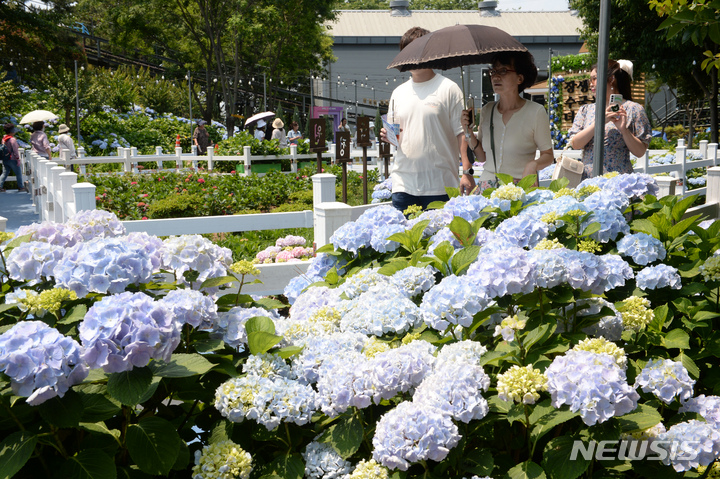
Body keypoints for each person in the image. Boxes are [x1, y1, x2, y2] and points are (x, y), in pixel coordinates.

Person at [381, 26, 475, 212]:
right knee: (405, 241)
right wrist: (388, 136)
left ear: (431, 52)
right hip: (403, 184)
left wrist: (467, 172)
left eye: (419, 49)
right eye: (408, 51)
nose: (414, 56)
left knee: (441, 241)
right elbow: (397, 137)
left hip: (441, 185)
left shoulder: (448, 88)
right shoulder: (398, 93)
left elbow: (461, 133)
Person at [462, 51, 554, 191]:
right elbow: (482, 157)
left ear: (520, 78)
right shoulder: (487, 110)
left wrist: (532, 165)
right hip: (487, 188)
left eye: (503, 71)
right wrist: (468, 132)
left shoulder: (536, 112)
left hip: (520, 187)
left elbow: (548, 156)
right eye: (493, 71)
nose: (496, 76)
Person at [568, 59, 651, 178]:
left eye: (594, 78)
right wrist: (598, 124)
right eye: (590, 79)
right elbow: (575, 144)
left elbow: (640, 152)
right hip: (588, 182)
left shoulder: (633, 109)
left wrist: (624, 130)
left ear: (611, 79)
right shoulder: (586, 110)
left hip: (619, 182)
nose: (591, 83)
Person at [1, 124, 26, 192]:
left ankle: (0, 186)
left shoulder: (4, 138)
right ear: (12, 131)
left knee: (4, 173)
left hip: (5, 158)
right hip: (12, 159)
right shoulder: (12, 139)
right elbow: (15, 150)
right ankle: (20, 187)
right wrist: (17, 159)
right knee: (18, 173)